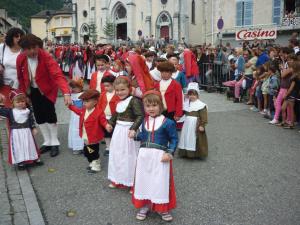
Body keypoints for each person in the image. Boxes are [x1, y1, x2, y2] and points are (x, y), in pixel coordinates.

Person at [16, 34, 72, 157]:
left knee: (50, 115)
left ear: (38, 46)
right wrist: (23, 94)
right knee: (39, 116)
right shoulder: (20, 58)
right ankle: (47, 142)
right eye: (28, 49)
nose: (32, 51)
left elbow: (57, 74)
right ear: (23, 49)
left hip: (47, 90)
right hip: (32, 90)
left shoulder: (45, 56)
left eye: (34, 48)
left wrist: (66, 92)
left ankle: (54, 142)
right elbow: (20, 78)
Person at [132, 90, 177, 222]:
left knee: (160, 182)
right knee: (143, 180)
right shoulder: (143, 121)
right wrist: (135, 135)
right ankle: (144, 206)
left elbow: (174, 139)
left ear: (161, 106)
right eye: (147, 106)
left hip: (160, 157)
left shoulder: (168, 122)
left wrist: (169, 152)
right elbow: (143, 136)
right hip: (144, 156)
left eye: (154, 105)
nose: (151, 108)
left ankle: (162, 208)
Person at [107, 76, 144, 190]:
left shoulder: (134, 101)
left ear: (129, 88)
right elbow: (115, 115)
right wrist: (110, 123)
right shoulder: (119, 102)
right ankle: (118, 179)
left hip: (129, 131)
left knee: (131, 156)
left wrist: (133, 128)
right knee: (118, 155)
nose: (119, 92)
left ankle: (133, 182)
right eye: (117, 90)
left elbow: (140, 115)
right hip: (118, 131)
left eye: (122, 89)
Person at [69, 89, 111, 173]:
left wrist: (106, 125)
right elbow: (77, 110)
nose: (84, 103)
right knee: (87, 151)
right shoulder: (83, 110)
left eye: (87, 101)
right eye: (83, 101)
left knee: (93, 151)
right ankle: (92, 162)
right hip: (85, 134)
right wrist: (70, 106)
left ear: (95, 102)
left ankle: (96, 165)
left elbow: (103, 121)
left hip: (93, 136)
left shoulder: (99, 112)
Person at [0, 90, 43, 169]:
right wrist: (1, 101)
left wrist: (33, 127)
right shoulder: (10, 111)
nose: (20, 103)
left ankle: (33, 158)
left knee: (30, 145)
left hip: (27, 132)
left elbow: (31, 120)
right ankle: (20, 161)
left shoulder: (28, 111)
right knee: (18, 147)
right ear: (13, 102)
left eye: (22, 101)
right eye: (18, 102)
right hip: (16, 134)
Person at [178, 82, 208, 159]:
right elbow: (183, 112)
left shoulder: (201, 105)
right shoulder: (187, 104)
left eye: (194, 95)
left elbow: (204, 116)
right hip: (187, 124)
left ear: (197, 95)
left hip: (196, 124)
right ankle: (186, 153)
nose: (192, 96)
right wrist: (178, 117)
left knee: (195, 138)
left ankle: (196, 154)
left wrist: (202, 125)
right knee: (186, 137)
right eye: (190, 94)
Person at [0, 28, 25, 107]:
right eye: (16, 36)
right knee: (6, 110)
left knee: (18, 110)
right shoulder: (2, 47)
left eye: (21, 36)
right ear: (11, 37)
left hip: (19, 86)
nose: (19, 38)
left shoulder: (24, 50)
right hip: (3, 85)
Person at [97, 75, 120, 156]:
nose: (106, 88)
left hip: (114, 117)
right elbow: (99, 106)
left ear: (114, 84)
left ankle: (116, 147)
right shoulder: (102, 95)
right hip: (105, 117)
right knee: (106, 133)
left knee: (115, 132)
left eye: (108, 86)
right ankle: (108, 147)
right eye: (104, 86)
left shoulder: (118, 94)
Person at [68, 78, 84, 155]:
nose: (73, 89)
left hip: (81, 115)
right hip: (74, 116)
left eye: (75, 87)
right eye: (72, 87)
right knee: (75, 130)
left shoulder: (83, 95)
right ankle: (77, 147)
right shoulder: (71, 95)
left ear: (81, 87)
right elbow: (68, 105)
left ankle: (84, 146)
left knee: (82, 130)